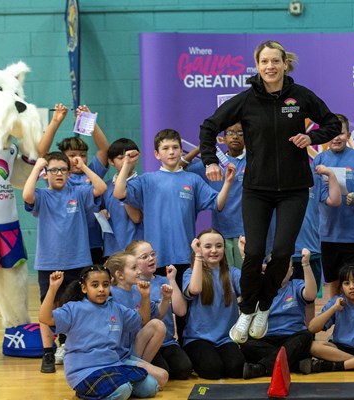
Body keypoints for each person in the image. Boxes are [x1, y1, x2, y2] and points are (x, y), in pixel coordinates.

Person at [199, 40, 341, 342]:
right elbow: (209, 126)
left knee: (281, 254)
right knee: (253, 253)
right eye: (264, 62)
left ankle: (264, 306)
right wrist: (210, 159)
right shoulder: (246, 100)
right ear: (258, 65)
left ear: (284, 64)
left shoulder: (300, 96)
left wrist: (311, 136)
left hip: (294, 189)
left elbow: (332, 124)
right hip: (256, 190)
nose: (270, 67)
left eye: (275, 61)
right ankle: (247, 310)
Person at [114, 128, 236, 342]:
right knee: (156, 307)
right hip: (155, 258)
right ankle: (159, 346)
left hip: (183, 257)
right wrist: (127, 165)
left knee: (184, 308)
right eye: (165, 148)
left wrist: (227, 183)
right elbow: (119, 193)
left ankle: (187, 346)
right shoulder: (147, 180)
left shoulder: (193, 180)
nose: (171, 152)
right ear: (156, 154)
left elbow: (218, 203)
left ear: (181, 150)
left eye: (175, 148)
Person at [23, 151, 107, 373]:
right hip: (49, 262)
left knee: (77, 307)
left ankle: (68, 346)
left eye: (63, 170)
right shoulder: (42, 196)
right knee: (49, 308)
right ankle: (48, 352)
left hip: (78, 261)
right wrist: (36, 167)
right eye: (53, 170)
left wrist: (85, 167)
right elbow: (27, 195)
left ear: (69, 173)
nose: (58, 174)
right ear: (46, 174)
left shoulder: (78, 193)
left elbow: (101, 188)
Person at [39, 266, 160, 400]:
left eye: (106, 284)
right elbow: (45, 318)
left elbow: (142, 320)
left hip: (113, 365)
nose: (101, 289)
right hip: (84, 371)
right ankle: (84, 394)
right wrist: (53, 288)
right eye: (95, 285)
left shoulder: (116, 307)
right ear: (84, 288)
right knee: (123, 390)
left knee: (151, 387)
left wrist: (145, 296)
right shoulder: (74, 308)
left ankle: (105, 393)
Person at [38, 104, 110, 265]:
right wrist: (55, 121)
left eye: (83, 155)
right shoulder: (57, 174)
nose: (78, 159)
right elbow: (42, 153)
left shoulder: (91, 172)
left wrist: (91, 122)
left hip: (92, 241)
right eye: (72, 155)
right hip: (66, 241)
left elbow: (104, 149)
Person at [313, 113, 354, 297]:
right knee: (333, 284)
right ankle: (337, 323)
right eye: (331, 132)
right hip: (328, 235)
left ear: (348, 135)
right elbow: (315, 192)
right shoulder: (319, 160)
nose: (336, 137)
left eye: (340, 132)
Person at [240, 248, 318, 379]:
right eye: (276, 265)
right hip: (265, 338)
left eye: (285, 266)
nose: (280, 270)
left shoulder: (296, 285)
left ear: (292, 270)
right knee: (245, 342)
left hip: (292, 337)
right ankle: (294, 364)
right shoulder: (260, 288)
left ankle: (262, 368)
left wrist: (306, 264)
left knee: (306, 336)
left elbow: (311, 295)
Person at [182, 229, 245, 379]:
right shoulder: (190, 273)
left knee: (237, 369)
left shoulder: (232, 272)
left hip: (226, 338)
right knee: (213, 370)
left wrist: (245, 255)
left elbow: (249, 290)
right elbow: (195, 289)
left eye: (219, 246)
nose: (214, 250)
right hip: (197, 338)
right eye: (208, 246)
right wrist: (198, 256)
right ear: (199, 247)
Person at [126, 240, 193, 380]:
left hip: (168, 341)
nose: (151, 259)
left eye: (152, 254)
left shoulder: (164, 280)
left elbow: (181, 311)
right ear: (133, 262)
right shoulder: (131, 287)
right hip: (147, 343)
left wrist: (172, 280)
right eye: (144, 257)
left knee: (184, 370)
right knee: (163, 371)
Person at [185, 122, 247, 267]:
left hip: (246, 233)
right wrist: (202, 148)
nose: (235, 137)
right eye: (230, 133)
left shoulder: (254, 161)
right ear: (223, 139)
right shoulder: (213, 163)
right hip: (220, 235)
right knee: (224, 280)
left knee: (245, 280)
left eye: (241, 133)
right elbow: (180, 169)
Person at [104, 251, 170, 388]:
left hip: (132, 349)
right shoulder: (109, 293)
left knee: (158, 325)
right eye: (134, 268)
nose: (139, 271)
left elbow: (156, 315)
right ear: (119, 275)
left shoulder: (138, 290)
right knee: (159, 380)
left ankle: (135, 373)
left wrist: (166, 299)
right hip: (115, 353)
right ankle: (128, 376)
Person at [290, 164, 342, 324]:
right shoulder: (275, 176)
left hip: (310, 249)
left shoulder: (314, 178)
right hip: (285, 251)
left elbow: (335, 200)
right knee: (284, 297)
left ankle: (308, 334)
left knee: (309, 299)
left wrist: (331, 175)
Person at [101, 139, 143, 258]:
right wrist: (102, 212)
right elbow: (101, 209)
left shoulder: (141, 183)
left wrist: (124, 194)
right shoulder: (106, 186)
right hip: (112, 250)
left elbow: (137, 218)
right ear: (111, 161)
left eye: (129, 157)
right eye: (121, 158)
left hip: (135, 250)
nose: (126, 161)